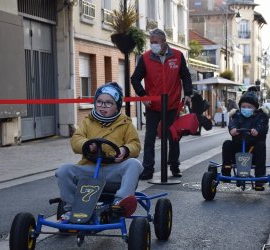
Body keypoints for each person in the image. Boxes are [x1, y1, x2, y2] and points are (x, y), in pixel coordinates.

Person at [55, 82, 143, 219]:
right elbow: (76, 140)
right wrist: (86, 145)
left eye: (108, 103)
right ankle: (71, 208)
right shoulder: (87, 122)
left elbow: (135, 145)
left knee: (134, 164)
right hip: (89, 170)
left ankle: (120, 203)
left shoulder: (126, 124)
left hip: (113, 172)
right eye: (99, 102)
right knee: (63, 170)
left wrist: (125, 150)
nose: (103, 106)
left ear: (117, 106)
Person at [131, 28, 192, 180]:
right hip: (153, 105)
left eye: (155, 42)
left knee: (173, 136)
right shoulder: (145, 58)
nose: (152, 45)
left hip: (172, 105)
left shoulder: (178, 56)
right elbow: (135, 78)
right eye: (151, 43)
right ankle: (148, 169)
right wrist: (143, 96)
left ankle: (175, 166)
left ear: (164, 42)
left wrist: (188, 94)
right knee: (150, 137)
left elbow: (185, 76)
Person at [221, 91, 269, 191]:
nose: (246, 109)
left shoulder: (261, 116)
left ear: (255, 108)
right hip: (238, 150)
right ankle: (226, 170)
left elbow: (262, 125)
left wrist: (257, 130)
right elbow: (233, 124)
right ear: (240, 107)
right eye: (244, 106)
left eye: (249, 107)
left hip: (253, 151)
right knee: (227, 144)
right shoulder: (237, 115)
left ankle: (259, 178)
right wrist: (232, 130)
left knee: (260, 145)